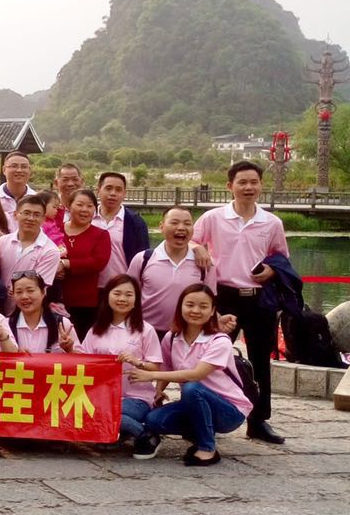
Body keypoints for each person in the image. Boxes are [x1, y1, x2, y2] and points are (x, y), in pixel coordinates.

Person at [191, 160, 290, 443]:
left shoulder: (271, 222)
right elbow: (190, 241)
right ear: (230, 186)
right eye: (242, 182)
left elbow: (281, 258)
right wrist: (198, 247)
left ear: (261, 186)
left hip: (260, 299)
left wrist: (272, 270)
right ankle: (203, 415)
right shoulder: (213, 218)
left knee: (260, 360)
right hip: (223, 296)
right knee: (210, 357)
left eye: (253, 182)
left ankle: (258, 421)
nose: (248, 187)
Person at [128, 283, 252, 465]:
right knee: (153, 419)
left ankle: (207, 449)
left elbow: (195, 375)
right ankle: (200, 432)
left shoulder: (219, 341)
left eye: (203, 306)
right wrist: (159, 391)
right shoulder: (171, 338)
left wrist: (151, 376)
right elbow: (166, 367)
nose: (195, 310)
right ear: (180, 307)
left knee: (192, 388)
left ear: (212, 311)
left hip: (229, 410)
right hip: (194, 403)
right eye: (190, 305)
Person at [81, 275, 163, 457]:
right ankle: (127, 431)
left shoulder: (146, 330)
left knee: (107, 413)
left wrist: (136, 362)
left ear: (136, 300)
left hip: (136, 397)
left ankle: (146, 436)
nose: (122, 299)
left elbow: (155, 368)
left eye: (128, 295)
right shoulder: (96, 330)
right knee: (88, 410)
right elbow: (84, 362)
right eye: (117, 293)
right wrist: (69, 347)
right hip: (103, 395)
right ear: (107, 296)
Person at [127, 206, 214, 334]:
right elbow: (128, 295)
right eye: (174, 222)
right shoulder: (143, 259)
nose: (181, 228)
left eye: (187, 224)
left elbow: (210, 301)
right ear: (161, 227)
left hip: (186, 334)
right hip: (146, 332)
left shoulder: (205, 264)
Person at [58, 189, 112, 337]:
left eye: (89, 206)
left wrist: (65, 264)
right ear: (69, 206)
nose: (84, 209)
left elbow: (98, 263)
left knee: (81, 342)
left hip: (85, 302)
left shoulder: (101, 235)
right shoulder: (56, 230)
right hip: (54, 299)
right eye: (80, 204)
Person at [0, 194, 61, 311]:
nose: (31, 218)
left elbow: (36, 286)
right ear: (16, 215)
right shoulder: (2, 242)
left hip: (27, 311)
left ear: (44, 218)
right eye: (26, 213)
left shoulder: (50, 251)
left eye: (37, 215)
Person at [94, 171, 152, 287]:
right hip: (90, 288)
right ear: (98, 190)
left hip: (122, 289)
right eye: (108, 188)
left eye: (118, 190)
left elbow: (144, 259)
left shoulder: (135, 222)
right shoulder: (87, 218)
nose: (113, 193)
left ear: (124, 194)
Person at [7, 271, 77, 355]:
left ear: (43, 292)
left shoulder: (62, 324)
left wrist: (69, 350)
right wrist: (15, 354)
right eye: (19, 292)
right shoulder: (6, 325)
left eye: (30, 291)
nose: (24, 296)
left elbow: (82, 360)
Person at [0, 152, 36, 222]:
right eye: (14, 166)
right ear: (4, 170)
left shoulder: (37, 199)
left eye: (24, 167)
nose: (19, 170)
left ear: (30, 170)